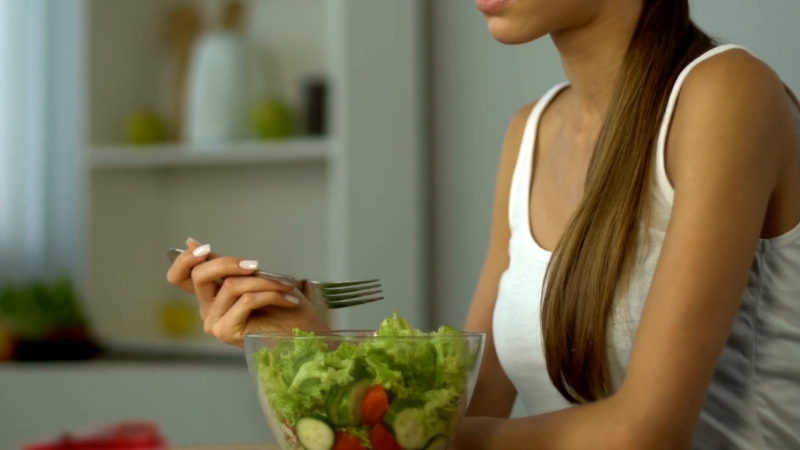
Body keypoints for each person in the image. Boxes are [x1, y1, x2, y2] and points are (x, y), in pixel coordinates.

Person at [167, 0, 800, 448]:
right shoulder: (531, 132)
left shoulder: (727, 93)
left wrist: (391, 437)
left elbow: (643, 434)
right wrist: (311, 347)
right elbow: (464, 406)